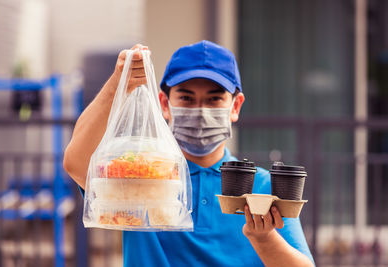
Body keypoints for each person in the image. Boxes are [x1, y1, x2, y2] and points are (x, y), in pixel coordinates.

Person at [64, 40, 315, 266]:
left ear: (235, 106)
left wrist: (264, 239)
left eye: (214, 99)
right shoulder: (140, 177)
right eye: (186, 98)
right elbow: (76, 163)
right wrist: (118, 84)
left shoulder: (263, 188)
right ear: (165, 104)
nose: (201, 111)